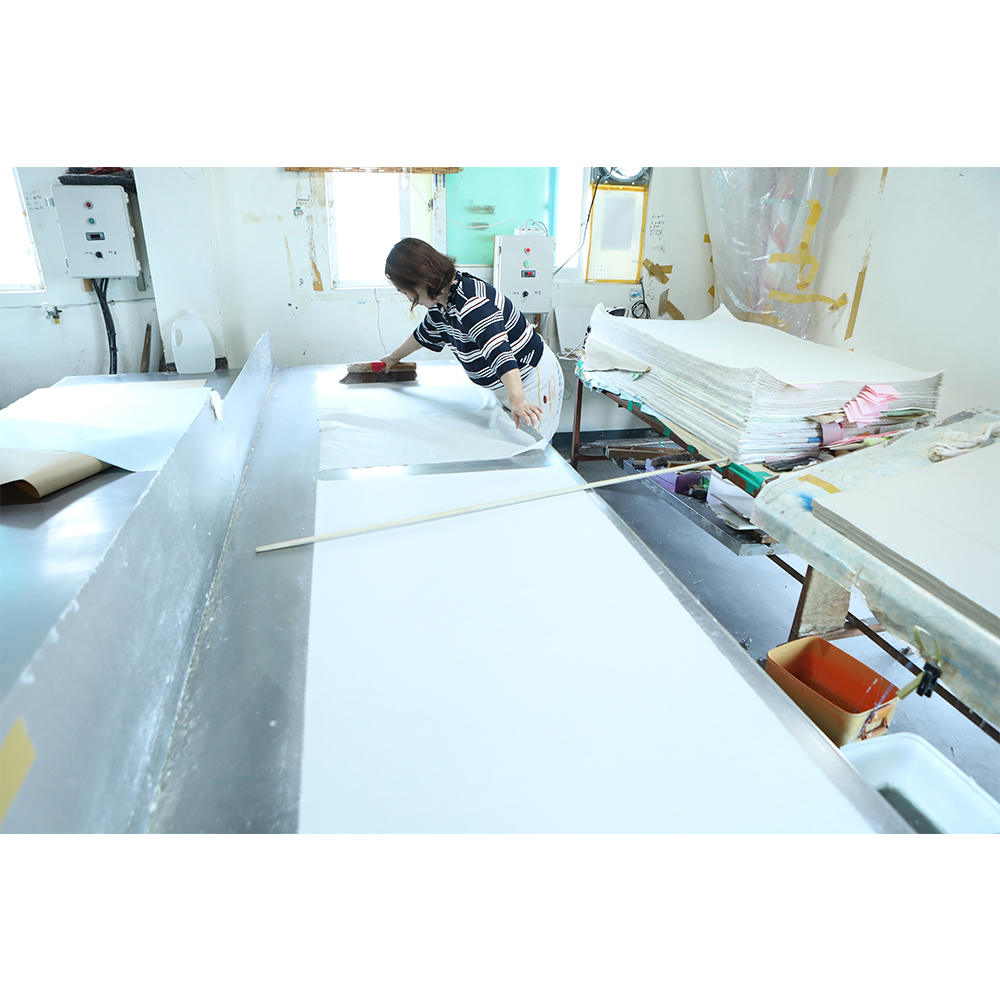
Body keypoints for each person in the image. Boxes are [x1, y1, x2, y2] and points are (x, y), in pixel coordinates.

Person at [379, 238, 564, 445]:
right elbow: (423, 335)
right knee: (512, 442)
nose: (409, 298)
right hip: (508, 385)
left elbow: (500, 353)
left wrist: (518, 399)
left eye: (406, 292)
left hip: (529, 380)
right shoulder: (441, 302)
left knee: (532, 446)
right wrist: (392, 358)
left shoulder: (471, 303)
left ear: (422, 281)